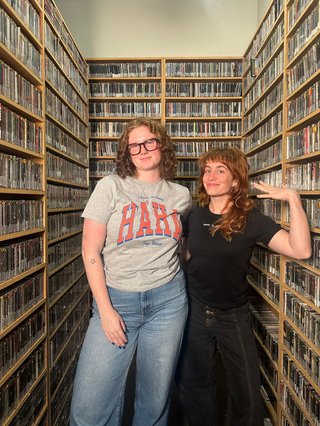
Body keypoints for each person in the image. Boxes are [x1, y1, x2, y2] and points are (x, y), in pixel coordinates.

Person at [175, 147, 311, 426]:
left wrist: (293, 199)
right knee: (195, 389)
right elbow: (186, 257)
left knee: (246, 393)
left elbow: (301, 249)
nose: (210, 176)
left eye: (220, 170)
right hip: (195, 312)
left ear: (236, 181)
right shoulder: (191, 216)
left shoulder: (251, 220)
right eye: (207, 170)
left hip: (233, 315)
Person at [70, 117, 192, 426]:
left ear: (162, 145)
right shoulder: (110, 186)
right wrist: (106, 310)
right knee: (89, 408)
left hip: (168, 303)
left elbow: (183, 244)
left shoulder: (181, 196)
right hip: (117, 301)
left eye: (149, 141)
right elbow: (90, 251)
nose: (142, 149)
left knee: (154, 402)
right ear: (127, 152)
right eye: (134, 145)